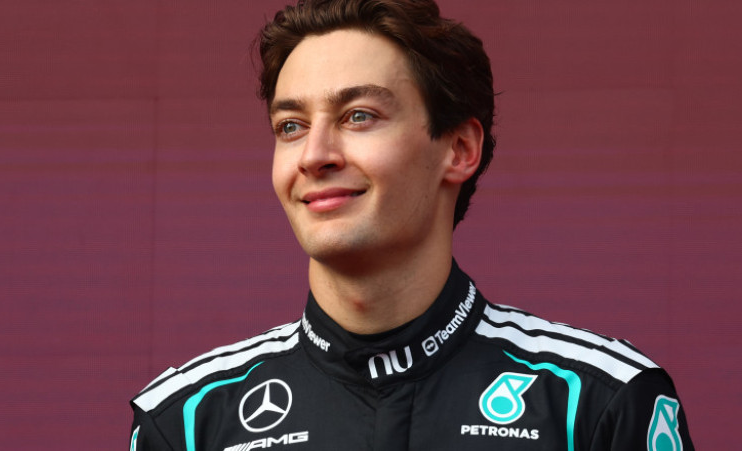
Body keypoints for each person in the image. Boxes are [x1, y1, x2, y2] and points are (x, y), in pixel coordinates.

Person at [129, 0, 694, 449]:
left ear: (459, 149)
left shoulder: (598, 403)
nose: (314, 156)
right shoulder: (187, 422)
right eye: (291, 126)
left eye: (359, 116)